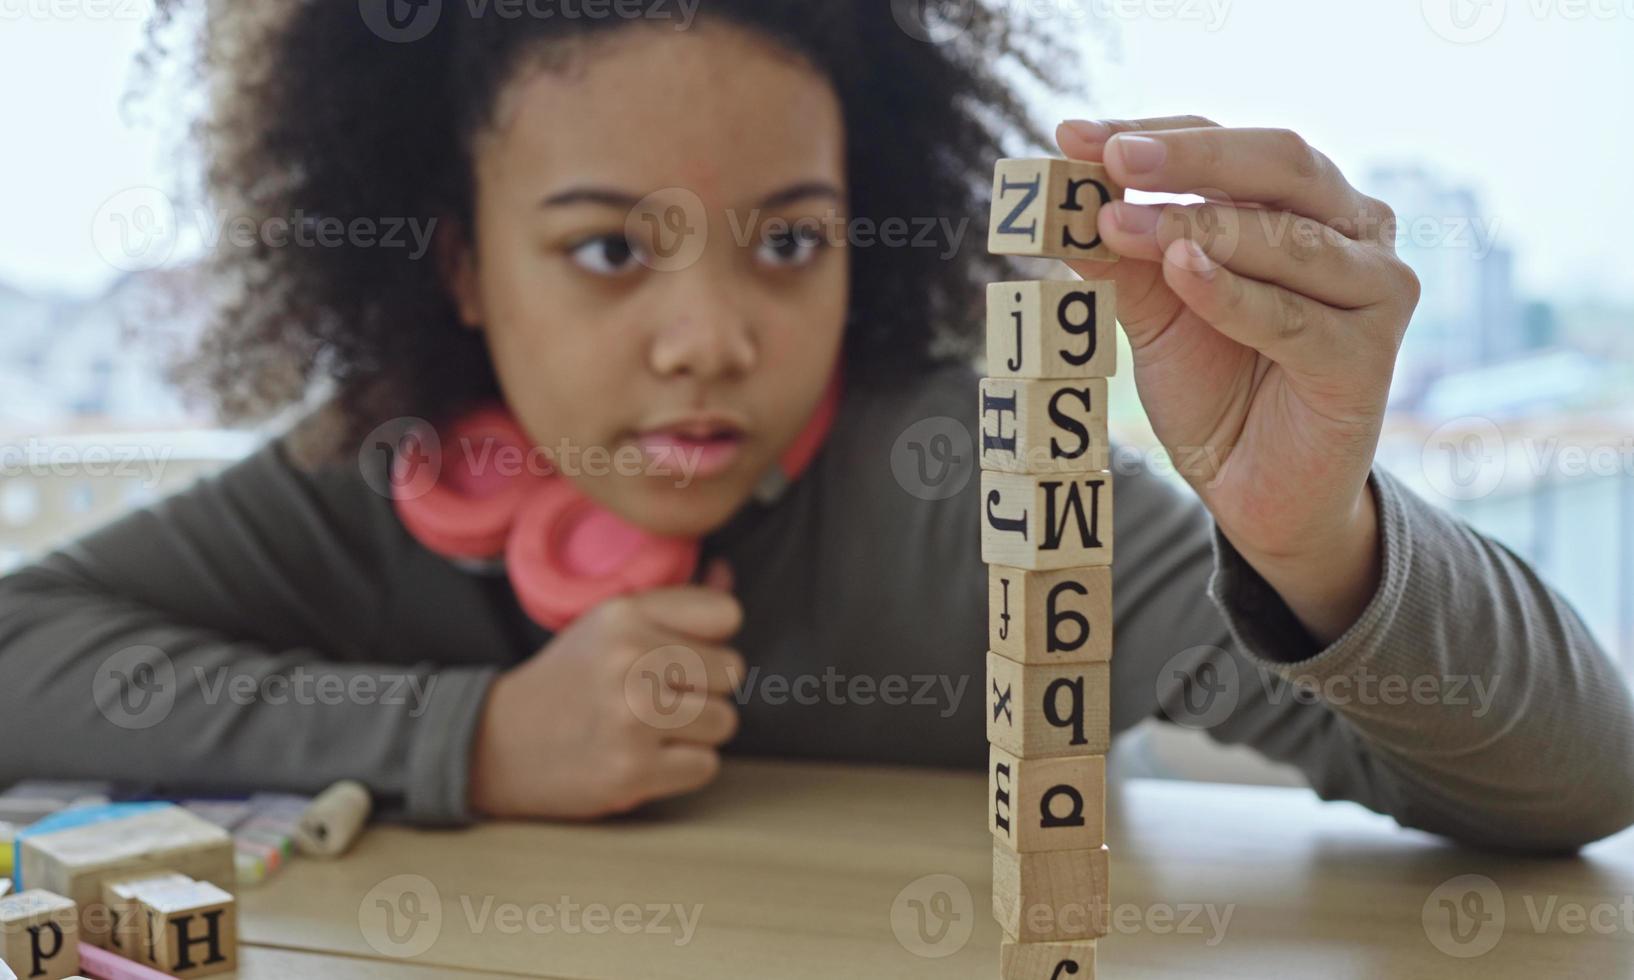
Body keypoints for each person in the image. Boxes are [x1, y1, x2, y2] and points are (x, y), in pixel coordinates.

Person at [1, 1, 1629, 851]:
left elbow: (1574, 788)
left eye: (788, 241)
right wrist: (468, 742)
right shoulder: (367, 469)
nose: (710, 337)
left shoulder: (988, 483)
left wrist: (1315, 545)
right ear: (461, 270)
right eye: (606, 250)